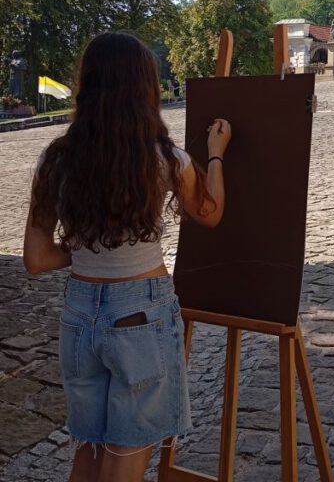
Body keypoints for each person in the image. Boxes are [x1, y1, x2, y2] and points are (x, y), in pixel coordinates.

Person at [23, 32, 232, 482]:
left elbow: (37, 258)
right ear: (145, 89)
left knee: (89, 448)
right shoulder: (167, 160)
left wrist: (86, 248)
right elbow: (211, 213)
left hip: (80, 314)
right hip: (142, 313)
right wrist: (216, 156)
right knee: (127, 454)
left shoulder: (55, 160)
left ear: (87, 85)